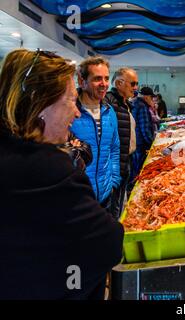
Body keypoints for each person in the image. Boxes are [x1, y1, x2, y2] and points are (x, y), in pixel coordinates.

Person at [0, 49, 123, 299]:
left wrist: (112, 181)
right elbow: (108, 244)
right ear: (41, 104)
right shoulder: (48, 169)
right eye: (69, 100)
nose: (75, 112)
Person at [71, 57, 121, 214]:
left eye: (106, 78)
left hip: (105, 194)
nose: (104, 84)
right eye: (97, 78)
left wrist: (113, 180)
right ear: (82, 80)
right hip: (77, 198)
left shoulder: (109, 111)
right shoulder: (70, 111)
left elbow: (114, 147)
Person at [104, 68, 138, 218]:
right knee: (113, 206)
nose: (135, 87)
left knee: (119, 202)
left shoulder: (125, 104)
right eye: (133, 83)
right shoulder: (108, 103)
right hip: (115, 164)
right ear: (119, 83)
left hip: (126, 160)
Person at [130, 86, 157, 188]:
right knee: (140, 167)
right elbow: (144, 128)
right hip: (141, 143)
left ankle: (133, 185)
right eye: (151, 97)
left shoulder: (135, 103)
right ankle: (137, 187)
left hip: (135, 141)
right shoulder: (142, 106)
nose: (152, 99)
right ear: (146, 97)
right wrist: (151, 145)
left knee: (136, 165)